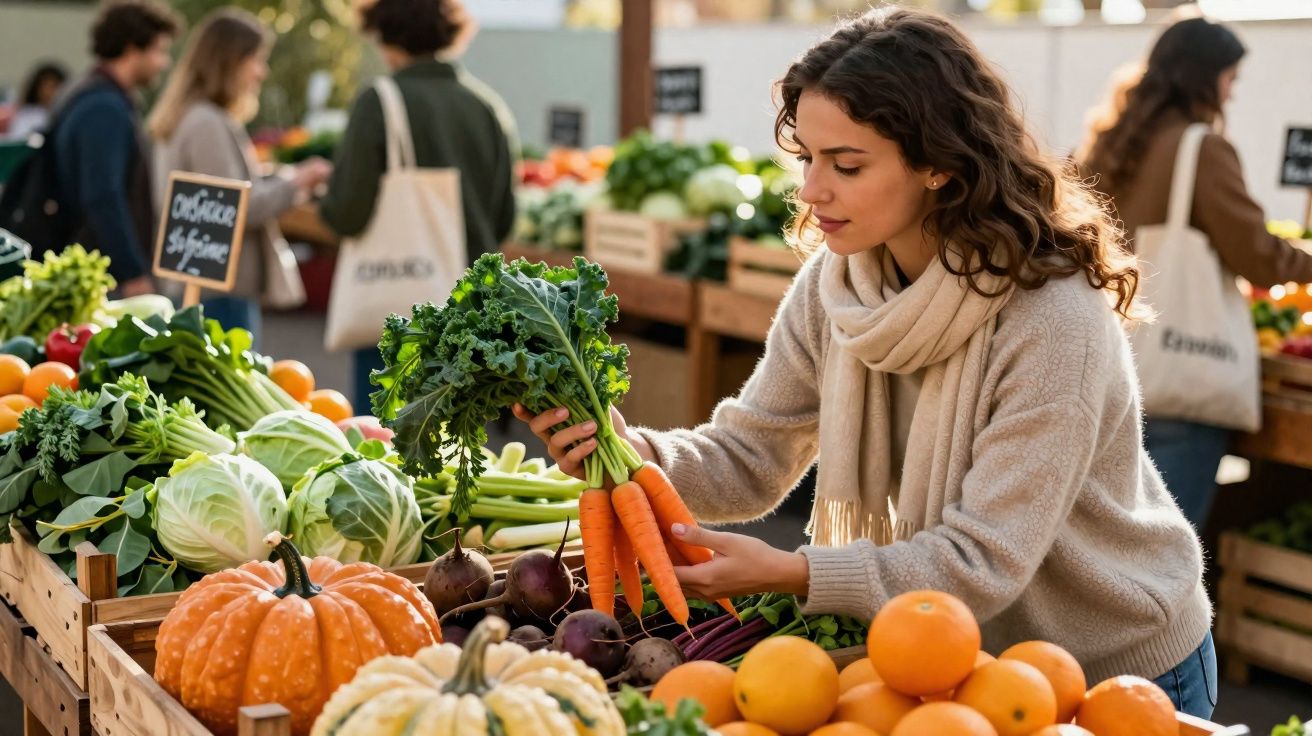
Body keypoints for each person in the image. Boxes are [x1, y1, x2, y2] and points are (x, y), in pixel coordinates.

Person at [517, 6, 1216, 718]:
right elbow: (753, 454)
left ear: (940, 163)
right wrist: (631, 452)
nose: (813, 190)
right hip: (938, 651)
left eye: (847, 165)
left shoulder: (1052, 319)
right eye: (809, 159)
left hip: (1114, 667)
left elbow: (982, 563)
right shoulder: (837, 285)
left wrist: (795, 572)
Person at [1077, 14, 1312, 531]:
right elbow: (1258, 255)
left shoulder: (1108, 145)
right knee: (1167, 560)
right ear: (1204, 77)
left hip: (1101, 365)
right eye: (1231, 79)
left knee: (1107, 548)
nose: (1231, 94)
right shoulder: (1201, 149)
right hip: (1177, 377)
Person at [319, 0, 517, 414]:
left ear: (386, 36)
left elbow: (347, 214)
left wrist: (324, 202)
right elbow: (503, 219)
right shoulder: (488, 106)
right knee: (459, 456)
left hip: (396, 309)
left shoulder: (381, 101)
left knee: (383, 448)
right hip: (471, 309)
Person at [148, 9, 331, 337]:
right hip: (219, 292)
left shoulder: (188, 116)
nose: (262, 72)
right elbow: (237, 207)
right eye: (257, 59)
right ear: (229, 62)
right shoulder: (207, 123)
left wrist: (275, 175)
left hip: (197, 285)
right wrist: (298, 182)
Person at [50, 0, 180, 296]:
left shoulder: (85, 92)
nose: (164, 63)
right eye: (160, 50)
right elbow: (102, 196)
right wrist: (132, 272)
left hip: (90, 268)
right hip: (101, 277)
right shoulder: (104, 107)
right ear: (133, 48)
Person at [5, 62, 68, 141]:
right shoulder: (26, 116)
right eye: (46, 86)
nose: (50, 92)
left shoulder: (67, 114)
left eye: (54, 86)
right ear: (36, 89)